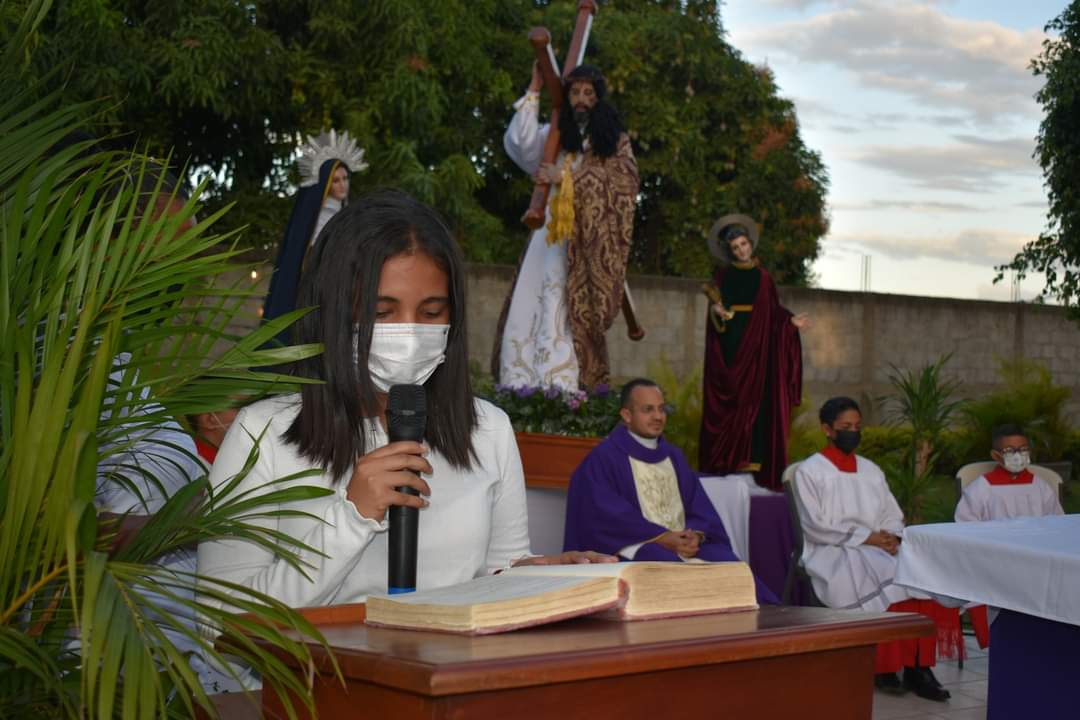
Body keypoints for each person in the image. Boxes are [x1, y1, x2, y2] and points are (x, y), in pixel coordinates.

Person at [199, 191, 613, 640]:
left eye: (432, 312)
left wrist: (537, 580)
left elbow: (493, 579)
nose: (411, 331)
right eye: (382, 312)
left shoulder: (487, 430)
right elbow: (219, 623)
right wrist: (351, 518)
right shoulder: (262, 435)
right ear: (335, 312)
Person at [792, 397, 960, 701]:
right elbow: (814, 524)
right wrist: (866, 538)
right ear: (827, 429)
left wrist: (891, 536)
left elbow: (891, 512)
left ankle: (918, 667)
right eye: (846, 427)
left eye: (857, 427)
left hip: (876, 544)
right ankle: (885, 665)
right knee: (892, 574)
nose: (853, 432)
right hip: (833, 548)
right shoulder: (810, 471)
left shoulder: (870, 470)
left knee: (921, 575)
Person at [563, 378, 777, 604]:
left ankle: (762, 621)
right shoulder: (604, 458)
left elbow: (697, 505)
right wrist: (662, 538)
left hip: (681, 545)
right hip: (638, 546)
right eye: (648, 410)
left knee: (724, 561)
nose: (658, 416)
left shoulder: (673, 456)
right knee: (661, 563)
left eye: (661, 409)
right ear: (626, 416)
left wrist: (695, 535)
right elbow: (604, 515)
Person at [493, 63, 639, 390]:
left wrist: (566, 177)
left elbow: (625, 183)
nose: (581, 99)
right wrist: (534, 87)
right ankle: (521, 386)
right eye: (575, 92)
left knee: (566, 311)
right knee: (529, 302)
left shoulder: (614, 142)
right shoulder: (556, 137)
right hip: (548, 235)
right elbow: (520, 142)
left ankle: (563, 388)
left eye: (588, 93)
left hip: (583, 244)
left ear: (599, 98)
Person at [698, 216, 806, 491]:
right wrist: (717, 312)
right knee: (730, 404)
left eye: (744, 244)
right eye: (735, 247)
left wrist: (789, 322)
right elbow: (715, 310)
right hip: (731, 346)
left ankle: (753, 464)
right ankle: (727, 464)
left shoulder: (763, 277)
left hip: (757, 351)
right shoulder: (723, 276)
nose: (741, 250)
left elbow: (773, 311)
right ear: (730, 251)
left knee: (757, 406)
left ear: (751, 243)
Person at [262, 130, 368, 331]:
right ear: (325, 185)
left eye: (345, 178)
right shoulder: (313, 219)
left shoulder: (349, 215)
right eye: (335, 180)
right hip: (316, 289)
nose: (342, 185)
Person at [955, 423, 1064, 522]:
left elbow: (1056, 522)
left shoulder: (1041, 487)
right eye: (1009, 450)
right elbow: (966, 526)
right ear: (996, 455)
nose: (1018, 455)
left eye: (1023, 449)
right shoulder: (980, 488)